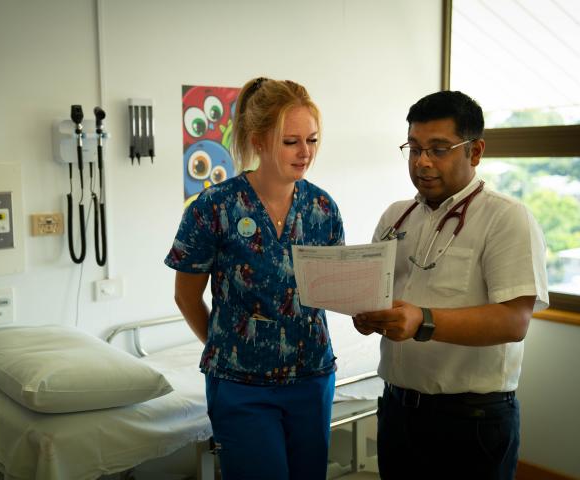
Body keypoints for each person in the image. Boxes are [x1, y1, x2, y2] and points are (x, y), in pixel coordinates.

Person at [353, 90, 549, 480]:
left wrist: (422, 320)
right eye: (414, 148)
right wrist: (370, 317)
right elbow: (378, 294)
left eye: (438, 149)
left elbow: (515, 321)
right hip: (398, 409)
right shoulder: (397, 216)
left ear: (475, 152)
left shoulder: (506, 219)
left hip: (471, 420)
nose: (422, 161)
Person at [165, 77, 344, 480]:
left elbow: (332, 290)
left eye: (312, 140)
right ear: (259, 141)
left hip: (312, 378)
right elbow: (186, 297)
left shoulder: (321, 208)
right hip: (241, 386)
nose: (305, 153)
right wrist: (226, 342)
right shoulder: (214, 207)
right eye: (291, 141)